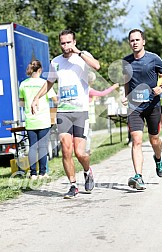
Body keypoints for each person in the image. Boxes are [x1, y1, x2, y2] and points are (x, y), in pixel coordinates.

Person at [31, 29, 100, 198]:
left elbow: (97, 66)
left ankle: (87, 170)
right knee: (66, 149)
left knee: (80, 153)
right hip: (63, 111)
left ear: (74, 42)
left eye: (69, 42)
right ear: (60, 44)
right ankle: (73, 185)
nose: (66, 46)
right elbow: (49, 83)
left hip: (80, 111)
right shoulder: (55, 62)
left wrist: (79, 53)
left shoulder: (82, 58)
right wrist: (36, 98)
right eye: (63, 43)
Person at [122, 29, 162, 190]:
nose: (134, 43)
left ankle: (158, 158)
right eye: (131, 40)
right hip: (134, 107)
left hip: (152, 105)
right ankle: (138, 177)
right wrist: (126, 95)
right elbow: (127, 80)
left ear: (143, 42)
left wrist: (161, 87)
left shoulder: (153, 59)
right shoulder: (126, 61)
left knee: (155, 139)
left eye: (137, 40)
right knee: (137, 140)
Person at [19, 60, 57, 180]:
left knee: (33, 147)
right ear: (40, 70)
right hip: (43, 119)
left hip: (30, 120)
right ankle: (43, 173)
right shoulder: (45, 84)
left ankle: (33, 174)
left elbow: (21, 103)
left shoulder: (23, 84)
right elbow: (55, 100)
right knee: (42, 146)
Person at [86, 71, 119, 154]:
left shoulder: (84, 89)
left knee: (85, 132)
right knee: (88, 132)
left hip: (86, 114)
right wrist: (113, 87)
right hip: (88, 115)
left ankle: (85, 148)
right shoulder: (89, 90)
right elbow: (102, 93)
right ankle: (87, 149)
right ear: (91, 81)